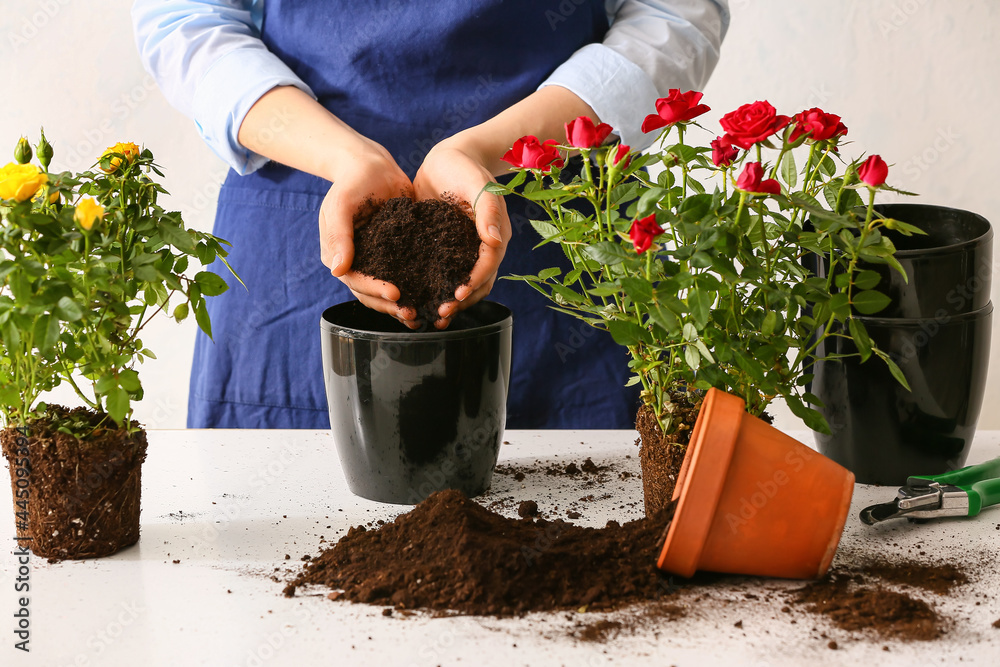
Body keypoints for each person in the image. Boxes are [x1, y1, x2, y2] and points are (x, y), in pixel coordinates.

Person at [131, 0, 729, 429]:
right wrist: (343, 156)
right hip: (299, 227)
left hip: (555, 228)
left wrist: (494, 149)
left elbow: (674, 14)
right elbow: (186, 19)